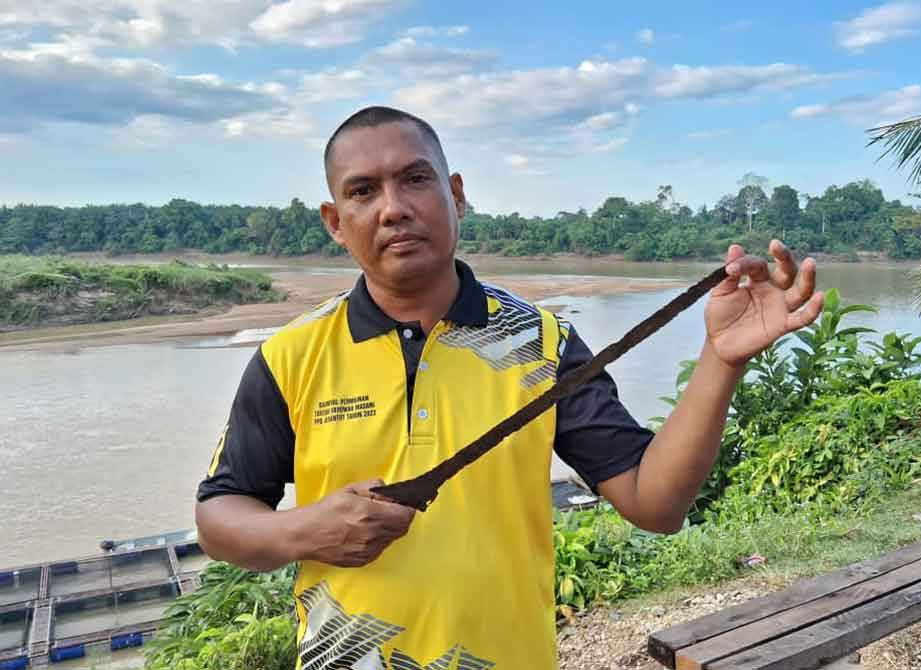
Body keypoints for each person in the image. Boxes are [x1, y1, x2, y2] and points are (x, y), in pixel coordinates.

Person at [195, 106, 823, 669]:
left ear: (456, 194)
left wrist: (721, 358)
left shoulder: (542, 344)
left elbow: (655, 504)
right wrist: (304, 531)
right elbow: (219, 517)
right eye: (363, 191)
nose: (393, 208)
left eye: (415, 179)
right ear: (336, 221)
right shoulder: (291, 355)